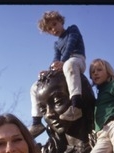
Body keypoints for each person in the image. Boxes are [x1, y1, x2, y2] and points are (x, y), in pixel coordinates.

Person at [29, 10, 86, 138]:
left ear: (60, 21)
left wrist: (63, 61)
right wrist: (49, 70)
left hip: (77, 60)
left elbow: (71, 44)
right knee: (35, 86)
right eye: (49, 29)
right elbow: (55, 59)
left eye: (54, 24)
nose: (53, 29)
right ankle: (36, 122)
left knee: (69, 65)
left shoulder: (72, 29)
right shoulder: (56, 44)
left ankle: (76, 106)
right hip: (63, 64)